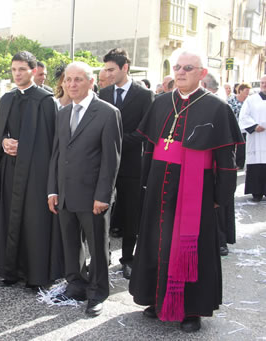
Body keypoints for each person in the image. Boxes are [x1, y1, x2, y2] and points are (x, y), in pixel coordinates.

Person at [129, 51, 243, 332]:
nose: (180, 72)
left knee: (192, 248)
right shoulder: (160, 103)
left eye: (188, 68)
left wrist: (220, 198)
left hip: (197, 191)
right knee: (158, 243)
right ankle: (156, 299)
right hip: (159, 189)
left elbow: (226, 162)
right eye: (177, 67)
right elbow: (148, 148)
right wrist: (144, 185)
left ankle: (192, 310)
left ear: (202, 74)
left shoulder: (217, 108)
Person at [0, 51, 62, 289]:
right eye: (14, 70)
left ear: (33, 71)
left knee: (33, 220)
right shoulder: (7, 99)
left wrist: (25, 147)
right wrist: (4, 142)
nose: (17, 74)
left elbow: (52, 141)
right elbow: (0, 134)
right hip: (10, 170)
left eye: (22, 69)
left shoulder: (46, 101)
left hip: (36, 173)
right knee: (9, 217)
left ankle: (35, 275)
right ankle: (9, 270)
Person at [47, 61, 122, 317]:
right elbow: (57, 154)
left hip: (93, 197)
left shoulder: (107, 113)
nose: (71, 84)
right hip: (66, 193)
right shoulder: (63, 112)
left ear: (92, 82)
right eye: (68, 80)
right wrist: (52, 190)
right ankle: (76, 284)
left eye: (78, 79)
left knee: (97, 247)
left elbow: (111, 160)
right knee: (70, 243)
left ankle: (97, 292)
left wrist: (103, 196)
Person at [99, 48, 155, 279]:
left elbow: (145, 131)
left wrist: (115, 143)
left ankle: (128, 258)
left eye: (112, 69)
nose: (108, 73)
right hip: (104, 165)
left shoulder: (144, 96)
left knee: (131, 213)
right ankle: (103, 255)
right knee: (102, 210)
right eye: (106, 69)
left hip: (131, 164)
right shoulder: (103, 94)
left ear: (125, 68)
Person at [239, 75, 266, 202]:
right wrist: (254, 126)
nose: (264, 85)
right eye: (262, 82)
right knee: (256, 163)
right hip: (256, 137)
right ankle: (256, 192)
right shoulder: (251, 100)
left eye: (265, 82)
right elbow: (243, 116)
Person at [228, 82, 251, 169]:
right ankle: (231, 163)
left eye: (248, 91)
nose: (247, 92)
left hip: (243, 128)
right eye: (246, 90)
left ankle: (239, 164)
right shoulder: (232, 99)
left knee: (242, 146)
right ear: (240, 90)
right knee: (231, 145)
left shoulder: (249, 101)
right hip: (233, 126)